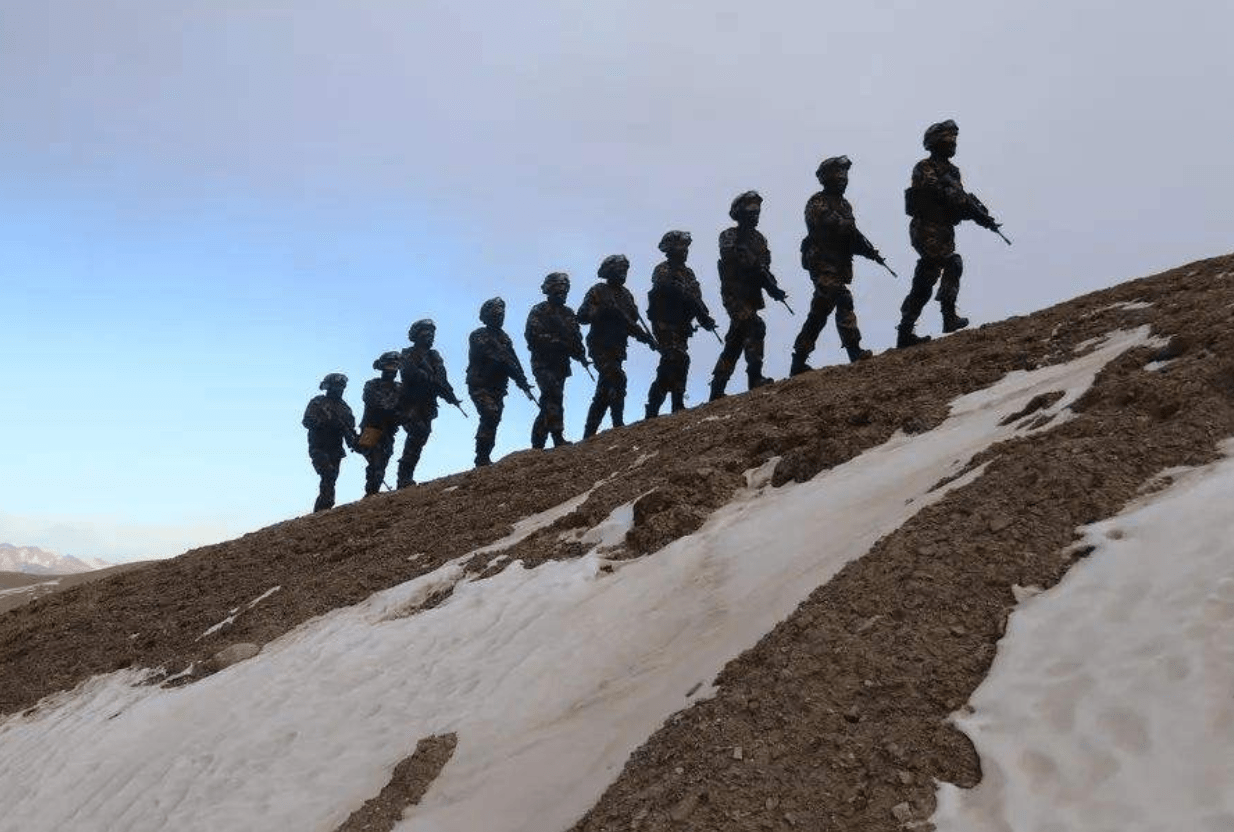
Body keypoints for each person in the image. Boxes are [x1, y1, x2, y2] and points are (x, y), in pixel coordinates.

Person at [897, 119, 1006, 347]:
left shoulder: (953, 172)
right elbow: (935, 191)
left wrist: (980, 216)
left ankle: (905, 331)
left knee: (925, 280)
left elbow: (959, 203)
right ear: (936, 142)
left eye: (955, 140)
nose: (953, 144)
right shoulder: (924, 167)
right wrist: (959, 199)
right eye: (949, 139)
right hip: (926, 227)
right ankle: (948, 318)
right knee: (952, 263)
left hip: (944, 230)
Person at [790, 156, 886, 374]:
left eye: (845, 176)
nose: (843, 180)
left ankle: (804, 359)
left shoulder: (844, 204)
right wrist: (850, 232)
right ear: (827, 179)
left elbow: (851, 236)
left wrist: (868, 251)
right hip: (822, 262)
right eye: (838, 176)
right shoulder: (817, 202)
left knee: (828, 307)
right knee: (833, 300)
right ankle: (846, 352)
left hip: (839, 264)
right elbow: (832, 225)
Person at [709, 191, 787, 400]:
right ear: (740, 214)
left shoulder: (759, 239)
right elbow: (731, 257)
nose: (756, 215)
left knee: (735, 341)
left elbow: (764, 268)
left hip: (751, 295)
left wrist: (773, 288)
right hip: (734, 294)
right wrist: (752, 264)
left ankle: (717, 388)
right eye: (750, 212)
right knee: (754, 325)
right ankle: (755, 378)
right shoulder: (729, 235)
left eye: (757, 212)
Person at [577, 254, 658, 437]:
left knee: (604, 391)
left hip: (617, 347)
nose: (623, 273)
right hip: (599, 345)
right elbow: (582, 316)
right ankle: (618, 423)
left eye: (625, 270)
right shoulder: (598, 290)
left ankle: (589, 433)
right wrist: (601, 310)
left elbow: (630, 323)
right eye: (620, 270)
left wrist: (647, 339)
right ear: (610, 272)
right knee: (618, 378)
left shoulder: (626, 295)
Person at [645, 230, 717, 417]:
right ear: (670, 250)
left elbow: (696, 298)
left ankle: (676, 403)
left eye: (686, 248)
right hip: (664, 324)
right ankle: (653, 407)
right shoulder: (662, 269)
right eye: (680, 247)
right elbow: (666, 289)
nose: (684, 251)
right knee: (674, 359)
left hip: (681, 325)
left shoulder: (688, 273)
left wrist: (704, 317)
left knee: (680, 362)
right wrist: (688, 298)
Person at [467, 297, 534, 466]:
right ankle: (481, 457)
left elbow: (513, 360)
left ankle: (484, 456)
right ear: (487, 317)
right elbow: (494, 356)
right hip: (480, 385)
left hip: (498, 386)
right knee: (490, 413)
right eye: (496, 315)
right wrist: (511, 367)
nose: (500, 318)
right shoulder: (478, 335)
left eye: (502, 315)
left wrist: (522, 381)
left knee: (494, 417)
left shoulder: (504, 337)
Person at [524, 273, 588, 448]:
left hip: (561, 365)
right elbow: (533, 336)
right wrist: (559, 342)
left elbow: (576, 339)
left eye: (565, 291)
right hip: (543, 363)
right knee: (553, 396)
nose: (562, 295)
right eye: (558, 291)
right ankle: (556, 437)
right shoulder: (539, 310)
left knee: (551, 401)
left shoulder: (568, 313)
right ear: (550, 291)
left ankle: (539, 441)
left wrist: (580, 353)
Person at [397, 319, 461, 487]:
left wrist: (449, 394)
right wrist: (429, 379)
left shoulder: (434, 356)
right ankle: (403, 477)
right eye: (426, 334)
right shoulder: (407, 353)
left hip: (427, 405)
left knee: (421, 437)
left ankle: (406, 476)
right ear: (417, 336)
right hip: (411, 404)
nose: (430, 337)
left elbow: (442, 379)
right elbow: (409, 373)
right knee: (416, 434)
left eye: (432, 334)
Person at [301, 372, 358, 512]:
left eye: (341, 386)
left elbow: (350, 430)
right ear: (328, 387)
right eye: (336, 386)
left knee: (331, 479)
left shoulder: (345, 408)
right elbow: (307, 421)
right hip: (319, 446)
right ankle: (324, 506)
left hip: (336, 450)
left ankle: (323, 509)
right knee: (328, 474)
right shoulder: (318, 401)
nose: (339, 389)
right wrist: (327, 423)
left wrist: (356, 441)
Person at [356, 351, 403, 496]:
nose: (392, 371)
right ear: (382, 368)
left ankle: (372, 493)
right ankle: (371, 492)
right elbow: (375, 404)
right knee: (375, 463)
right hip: (371, 430)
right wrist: (394, 413)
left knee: (382, 463)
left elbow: (405, 408)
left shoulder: (400, 388)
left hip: (388, 431)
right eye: (389, 367)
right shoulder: (372, 384)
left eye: (395, 368)